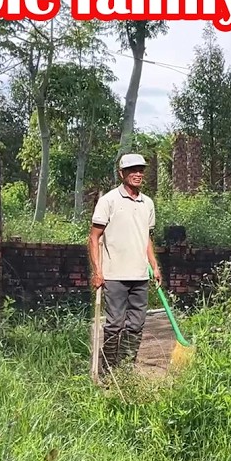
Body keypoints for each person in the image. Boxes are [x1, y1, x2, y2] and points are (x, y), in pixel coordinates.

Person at [89, 153, 161, 373]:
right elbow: (94, 237)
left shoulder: (147, 203)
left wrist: (155, 267)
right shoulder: (109, 201)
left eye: (140, 170)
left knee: (136, 325)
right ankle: (107, 369)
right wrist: (98, 271)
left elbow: (146, 238)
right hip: (114, 276)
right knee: (114, 325)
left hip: (139, 276)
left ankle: (125, 369)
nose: (137, 174)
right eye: (132, 170)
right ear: (122, 173)